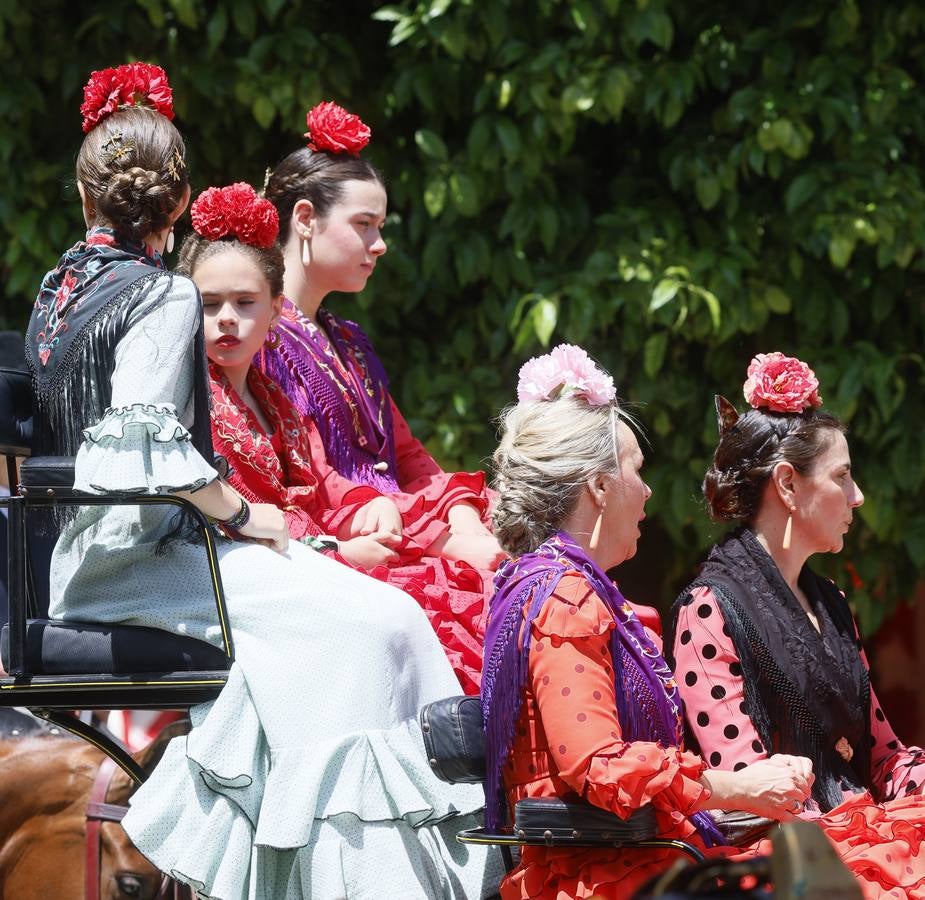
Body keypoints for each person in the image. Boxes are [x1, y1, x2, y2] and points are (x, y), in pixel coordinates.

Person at [26, 63, 501, 899]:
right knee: (376, 620)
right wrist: (246, 513)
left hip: (82, 560)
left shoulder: (54, 292)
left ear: (82, 191)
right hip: (151, 561)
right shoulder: (164, 294)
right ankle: (365, 870)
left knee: (371, 618)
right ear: (176, 206)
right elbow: (152, 448)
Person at [482, 344, 820, 899]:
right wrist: (737, 786)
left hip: (633, 860)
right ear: (598, 486)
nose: (648, 491)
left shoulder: (558, 586)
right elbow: (597, 765)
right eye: (636, 472)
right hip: (605, 879)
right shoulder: (565, 598)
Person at [178, 180, 494, 693]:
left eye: (244, 302)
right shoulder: (197, 401)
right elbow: (238, 522)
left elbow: (327, 477)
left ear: (273, 310)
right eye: (209, 305)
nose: (227, 319)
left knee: (470, 585)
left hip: (320, 545)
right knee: (420, 611)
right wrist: (342, 553)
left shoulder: (276, 394)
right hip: (264, 569)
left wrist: (375, 505)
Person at [672, 352, 925, 899]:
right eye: (842, 476)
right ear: (787, 485)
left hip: (858, 835)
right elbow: (752, 788)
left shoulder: (830, 602)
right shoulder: (710, 608)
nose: (857, 496)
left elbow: (884, 757)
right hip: (782, 858)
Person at [259, 102, 502, 564]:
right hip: (356, 537)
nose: (380, 244)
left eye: (380, 227)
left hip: (404, 522)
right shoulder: (266, 339)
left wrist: (459, 511)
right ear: (306, 219)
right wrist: (446, 538)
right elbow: (313, 479)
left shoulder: (347, 341)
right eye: (364, 225)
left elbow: (408, 455)